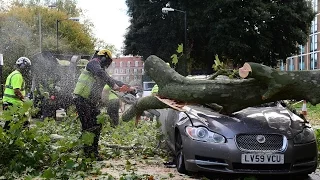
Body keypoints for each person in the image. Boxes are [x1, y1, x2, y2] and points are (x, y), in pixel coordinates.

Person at [73, 49, 134, 160]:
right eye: (107, 63)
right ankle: (88, 153)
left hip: (89, 102)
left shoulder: (99, 70)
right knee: (89, 126)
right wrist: (114, 85)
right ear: (104, 58)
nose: (107, 66)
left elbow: (110, 79)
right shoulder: (93, 64)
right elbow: (102, 74)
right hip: (81, 99)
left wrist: (128, 87)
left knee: (96, 124)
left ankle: (92, 152)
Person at [3, 57, 32, 130]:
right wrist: (24, 100)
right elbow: (16, 91)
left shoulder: (13, 74)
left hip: (8, 102)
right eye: (27, 67)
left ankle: (5, 138)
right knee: (21, 122)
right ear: (23, 67)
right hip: (14, 104)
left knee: (9, 123)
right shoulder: (18, 76)